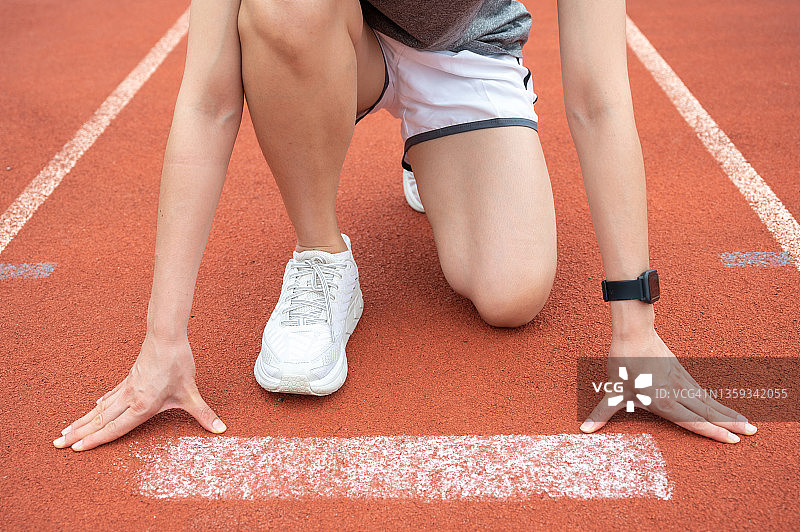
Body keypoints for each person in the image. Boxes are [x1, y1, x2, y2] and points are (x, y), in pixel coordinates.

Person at [54, 0, 757, 452]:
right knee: (282, 10)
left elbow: (599, 98)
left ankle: (433, 151)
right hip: (332, 37)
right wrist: (162, 341)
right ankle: (323, 255)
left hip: (464, 53)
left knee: (512, 295)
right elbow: (208, 99)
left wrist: (634, 330)